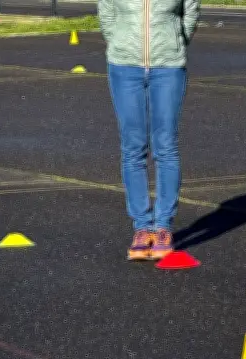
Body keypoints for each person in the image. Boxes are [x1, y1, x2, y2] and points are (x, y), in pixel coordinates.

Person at [98, 0, 200, 260]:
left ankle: (163, 226)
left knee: (166, 145)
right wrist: (119, 43)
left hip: (168, 66)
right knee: (133, 146)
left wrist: (175, 41)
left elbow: (190, 11)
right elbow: (107, 13)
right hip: (124, 66)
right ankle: (142, 228)